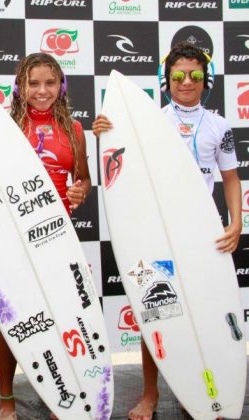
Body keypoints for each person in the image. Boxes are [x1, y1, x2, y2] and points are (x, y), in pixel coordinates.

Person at [92, 41, 242, 420]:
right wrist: (105, 130)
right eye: (178, 76)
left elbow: (231, 178)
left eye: (194, 75)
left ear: (205, 79)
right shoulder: (148, 123)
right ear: (166, 80)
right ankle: (150, 394)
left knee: (206, 313)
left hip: (202, 236)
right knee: (155, 313)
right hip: (155, 234)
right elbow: (119, 161)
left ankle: (209, 391)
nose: (186, 82)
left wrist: (237, 222)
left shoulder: (219, 126)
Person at [0, 52, 91, 420]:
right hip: (10, 238)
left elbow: (83, 178)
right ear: (20, 87)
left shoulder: (74, 130)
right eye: (34, 83)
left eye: (50, 83)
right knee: (11, 320)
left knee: (62, 319)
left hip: (57, 238)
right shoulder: (2, 125)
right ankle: (7, 399)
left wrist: (80, 190)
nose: (42, 91)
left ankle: (57, 398)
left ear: (61, 86)